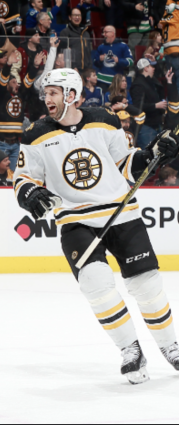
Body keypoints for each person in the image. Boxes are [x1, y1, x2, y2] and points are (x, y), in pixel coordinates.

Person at [15, 68, 179, 384]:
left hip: (122, 212)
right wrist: (30, 192)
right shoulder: (35, 134)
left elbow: (127, 163)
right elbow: (23, 178)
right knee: (96, 284)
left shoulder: (104, 119)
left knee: (146, 284)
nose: (46, 98)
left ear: (72, 95)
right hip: (76, 221)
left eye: (53, 92)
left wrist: (155, 153)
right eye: (45, 93)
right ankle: (130, 350)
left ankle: (170, 346)